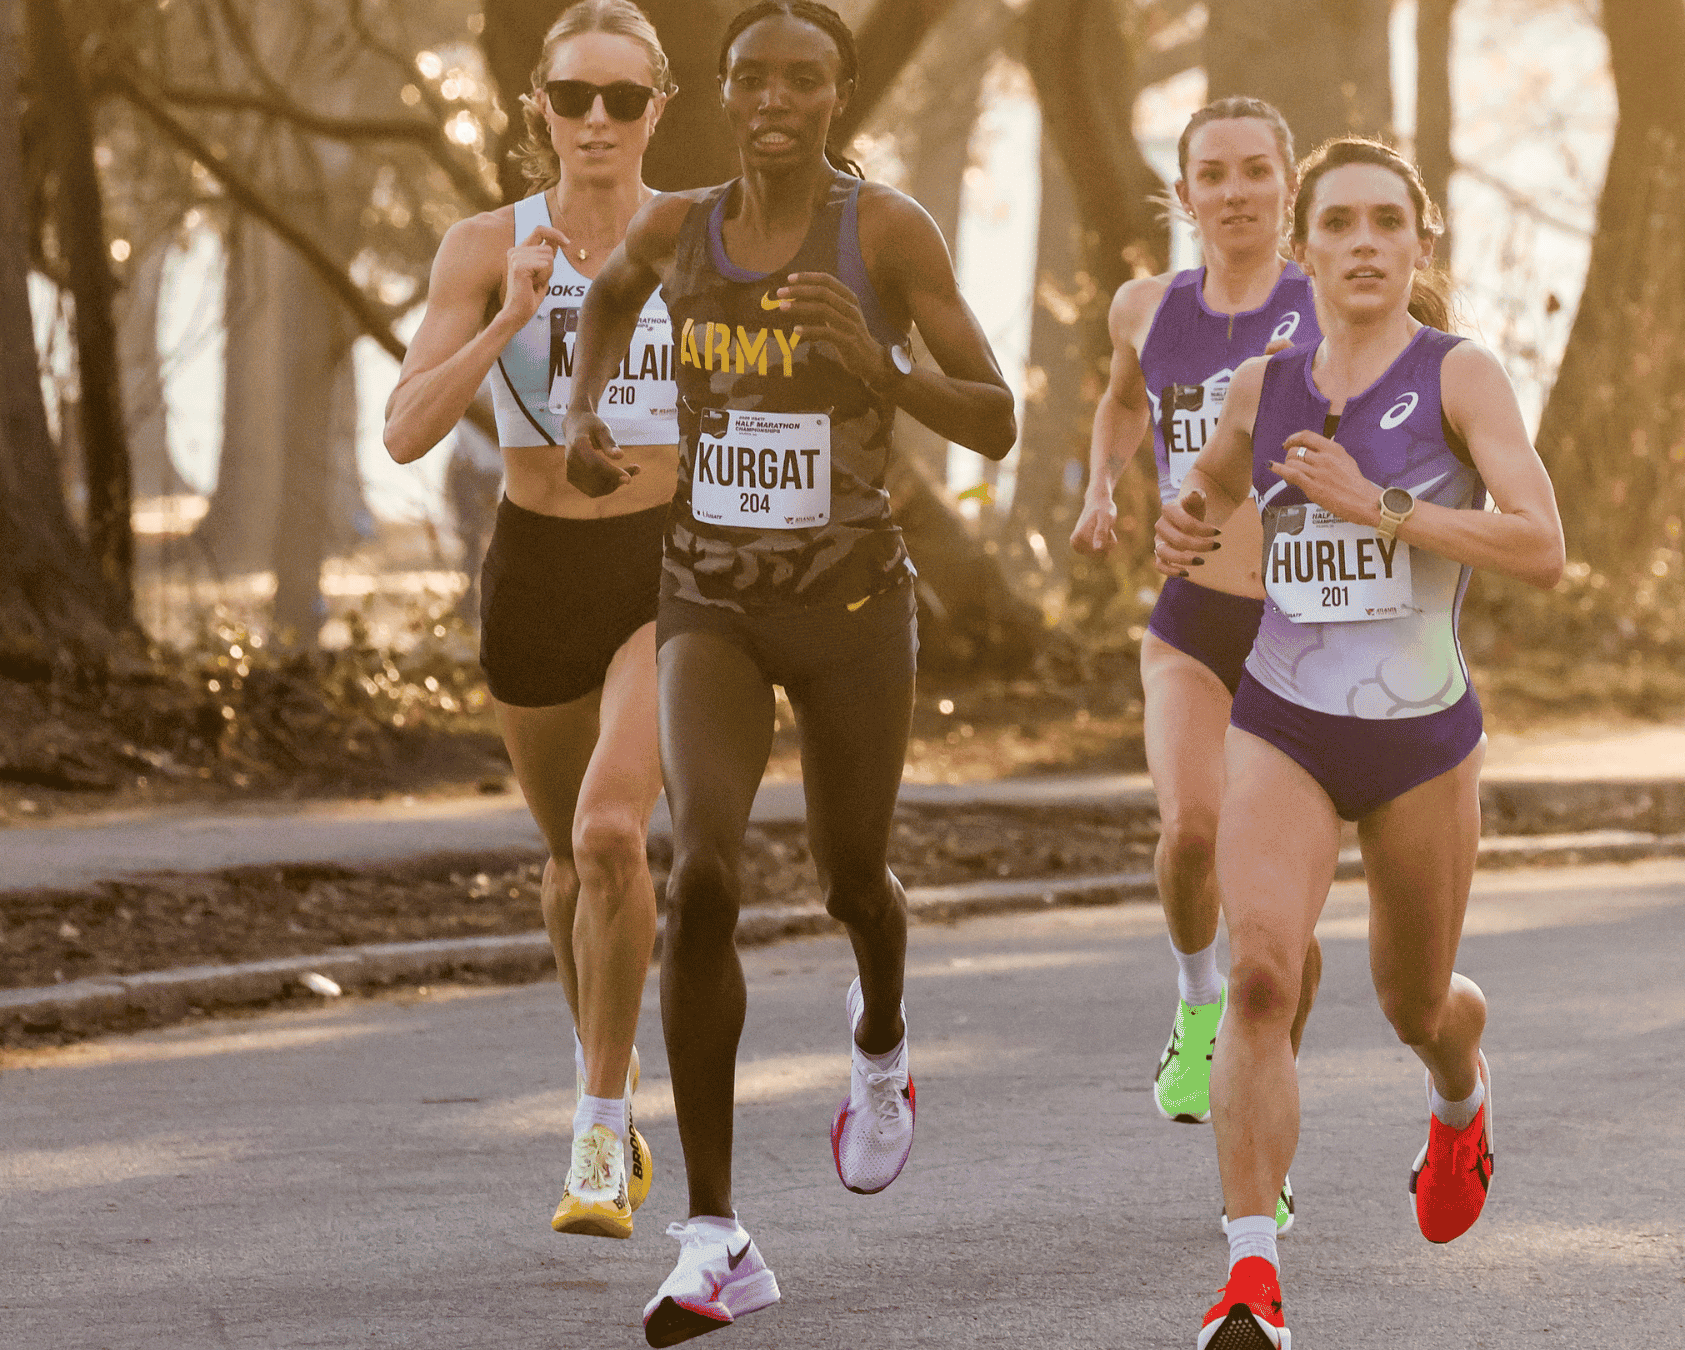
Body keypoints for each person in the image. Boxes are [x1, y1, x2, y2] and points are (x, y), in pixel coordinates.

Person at [557, 3, 1014, 1341]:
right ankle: (714, 1235)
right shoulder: (672, 227)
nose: (773, 97)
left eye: (802, 79)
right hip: (709, 597)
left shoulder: (885, 234)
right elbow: (607, 311)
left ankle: (880, 1037)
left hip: (855, 605)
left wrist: (877, 365)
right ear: (723, 90)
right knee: (699, 868)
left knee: (848, 877)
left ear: (839, 97)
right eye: (752, 75)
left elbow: (995, 414)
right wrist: (588, 412)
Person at [1154, 137, 1565, 1350]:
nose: (1369, 242)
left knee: (1413, 999)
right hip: (1281, 720)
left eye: (1392, 221)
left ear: (1421, 244)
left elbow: (1541, 546)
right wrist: (1188, 525)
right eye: (1342, 223)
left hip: (1420, 741)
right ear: (1306, 247)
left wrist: (1378, 505)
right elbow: (1217, 486)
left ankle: (1460, 1083)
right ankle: (1250, 1279)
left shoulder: (1461, 377)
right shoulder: (1261, 385)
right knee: (1264, 977)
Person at [381, 0, 680, 1242]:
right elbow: (402, 432)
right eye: (574, 98)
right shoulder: (480, 245)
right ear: (539, 110)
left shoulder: (701, 238)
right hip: (540, 567)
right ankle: (597, 1085)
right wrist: (510, 313)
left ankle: (599, 1141)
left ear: (659, 106)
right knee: (567, 865)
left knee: (616, 835)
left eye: (623, 97)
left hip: (675, 570)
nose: (597, 120)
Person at [1068, 97, 1321, 1222]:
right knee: (1189, 835)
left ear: (1287, 185)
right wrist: (1097, 490)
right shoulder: (1144, 306)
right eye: (1211, 174)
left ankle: (1265, 1138)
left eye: (1255, 171)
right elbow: (1121, 405)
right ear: (1186, 194)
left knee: (1285, 929)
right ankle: (1193, 1006)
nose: (1234, 192)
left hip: (1305, 638)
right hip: (1192, 620)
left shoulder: (1330, 311)